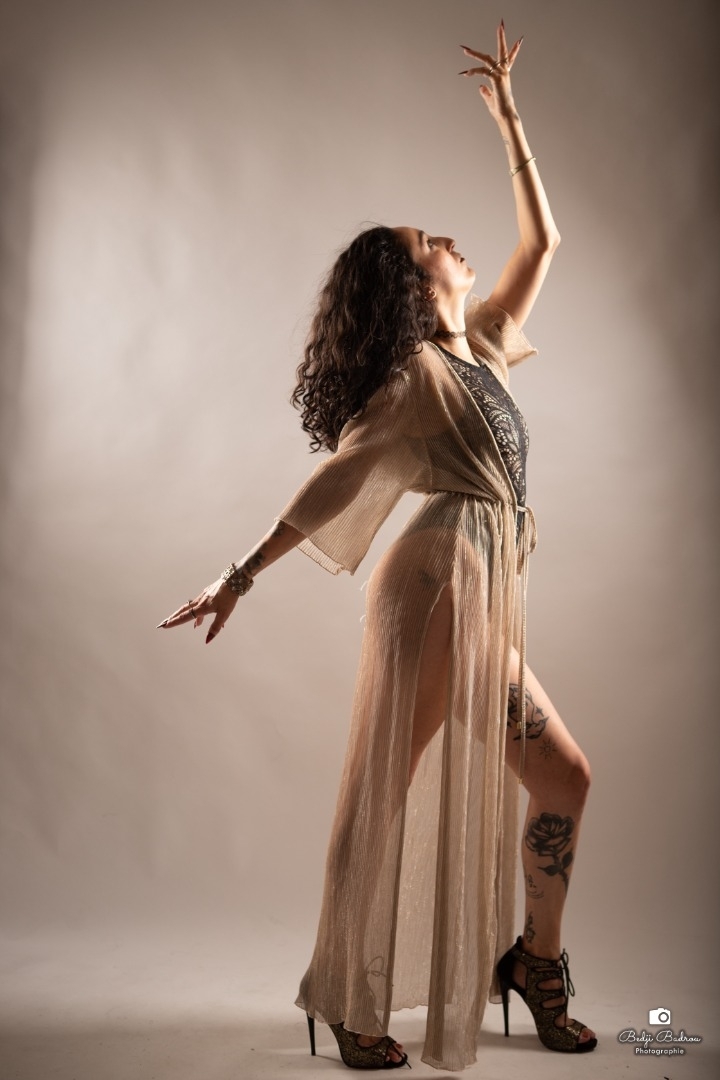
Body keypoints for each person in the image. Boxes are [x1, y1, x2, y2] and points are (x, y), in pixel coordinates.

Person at [157, 23, 596, 1073]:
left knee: (564, 780)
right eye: (430, 239)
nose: (452, 239)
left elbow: (545, 245)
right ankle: (347, 992)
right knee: (384, 791)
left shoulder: (478, 349)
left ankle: (535, 961)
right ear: (409, 282)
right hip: (435, 586)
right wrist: (240, 574)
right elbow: (337, 478)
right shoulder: (411, 379)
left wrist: (511, 122)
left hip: (481, 589)